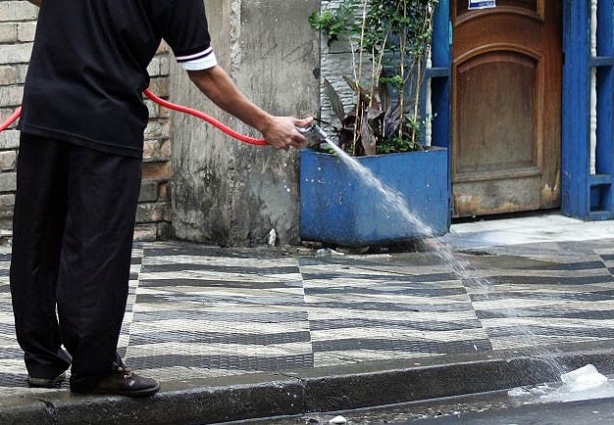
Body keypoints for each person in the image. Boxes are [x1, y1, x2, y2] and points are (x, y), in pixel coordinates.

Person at [10, 0, 312, 397]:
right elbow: (205, 72)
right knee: (96, 247)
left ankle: (43, 359)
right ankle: (93, 368)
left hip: (43, 111)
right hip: (105, 122)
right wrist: (267, 123)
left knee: (36, 238)